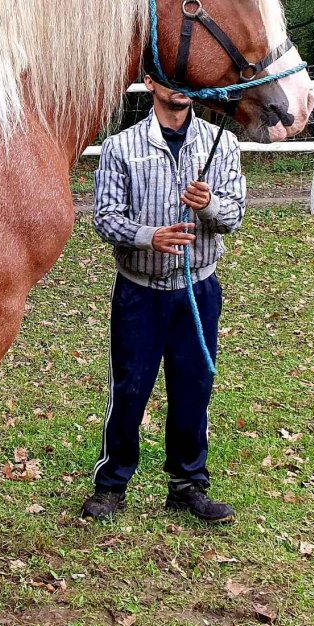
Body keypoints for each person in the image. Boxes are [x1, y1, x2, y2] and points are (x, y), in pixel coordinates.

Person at [82, 73, 247, 523]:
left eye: (189, 80)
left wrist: (209, 204)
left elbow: (234, 215)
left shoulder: (221, 144)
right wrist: (148, 235)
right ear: (151, 81)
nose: (182, 87)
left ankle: (187, 485)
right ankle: (111, 485)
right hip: (140, 292)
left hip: (198, 289)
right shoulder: (122, 147)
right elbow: (105, 218)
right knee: (130, 388)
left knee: (194, 386)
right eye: (172, 78)